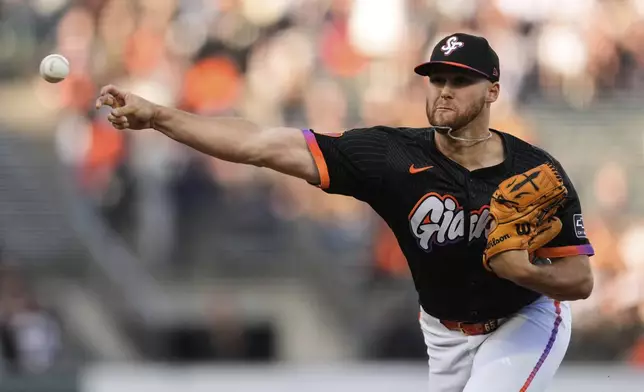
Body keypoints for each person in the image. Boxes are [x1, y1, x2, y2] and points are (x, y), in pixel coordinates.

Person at [96, 33, 595, 391]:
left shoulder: (533, 172)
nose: (444, 90)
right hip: (443, 332)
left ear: (492, 91)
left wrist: (524, 272)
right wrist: (160, 116)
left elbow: (579, 281)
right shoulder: (391, 156)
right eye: (437, 79)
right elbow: (259, 144)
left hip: (523, 318)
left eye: (460, 81)